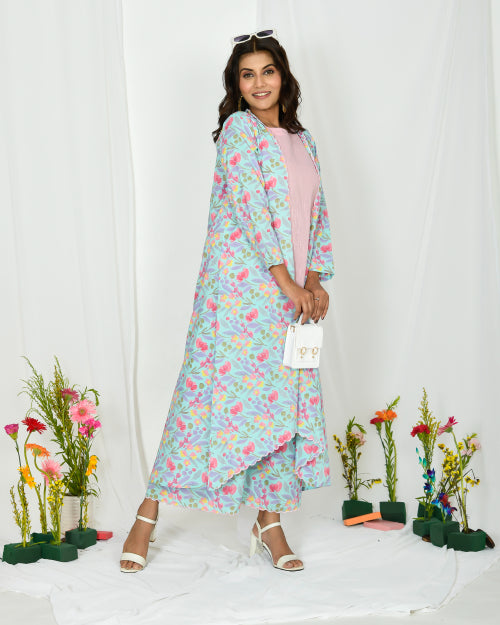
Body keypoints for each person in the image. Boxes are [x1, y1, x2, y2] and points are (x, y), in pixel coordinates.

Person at [120, 29, 334, 574]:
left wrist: (314, 282)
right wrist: (288, 283)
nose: (259, 83)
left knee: (279, 408)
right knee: (203, 399)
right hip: (239, 294)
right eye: (247, 74)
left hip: (289, 296)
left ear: (283, 77)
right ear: (236, 86)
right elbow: (250, 209)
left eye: (268, 71)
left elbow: (315, 214)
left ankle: (270, 523)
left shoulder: (303, 140)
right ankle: (146, 515)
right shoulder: (239, 132)